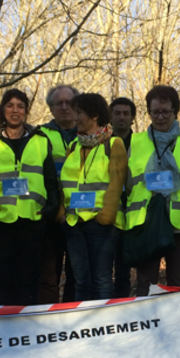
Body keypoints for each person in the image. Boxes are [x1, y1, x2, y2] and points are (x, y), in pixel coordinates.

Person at [0, 89, 60, 306]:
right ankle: (3, 326)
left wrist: (48, 211)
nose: (15, 110)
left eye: (20, 106)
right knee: (0, 280)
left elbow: (51, 183)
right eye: (10, 105)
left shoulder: (41, 140)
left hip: (32, 221)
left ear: (26, 112)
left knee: (28, 280)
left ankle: (23, 329)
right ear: (2, 109)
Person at [125, 86, 180, 296]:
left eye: (165, 112)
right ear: (149, 112)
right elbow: (128, 182)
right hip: (146, 221)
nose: (160, 117)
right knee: (145, 282)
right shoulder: (137, 142)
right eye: (155, 112)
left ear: (175, 111)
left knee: (177, 284)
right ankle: (147, 325)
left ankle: (175, 328)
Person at [60, 94, 126, 300]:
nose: (75, 117)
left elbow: (116, 183)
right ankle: (83, 328)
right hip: (74, 222)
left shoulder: (114, 144)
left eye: (79, 112)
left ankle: (103, 327)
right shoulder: (73, 146)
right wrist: (62, 214)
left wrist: (106, 216)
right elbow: (66, 184)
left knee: (101, 279)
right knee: (81, 281)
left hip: (102, 224)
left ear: (94, 115)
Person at [38, 85, 79, 303]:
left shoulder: (91, 134)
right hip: (50, 215)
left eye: (69, 103)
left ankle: (72, 318)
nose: (64, 107)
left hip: (80, 214)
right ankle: (48, 321)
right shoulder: (39, 135)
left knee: (77, 274)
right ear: (51, 109)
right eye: (58, 103)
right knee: (48, 275)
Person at [109, 97, 138, 297]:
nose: (121, 117)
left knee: (124, 266)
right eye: (117, 113)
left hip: (134, 211)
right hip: (108, 211)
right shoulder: (102, 143)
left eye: (126, 114)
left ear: (133, 118)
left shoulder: (141, 144)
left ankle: (121, 303)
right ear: (110, 117)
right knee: (103, 267)